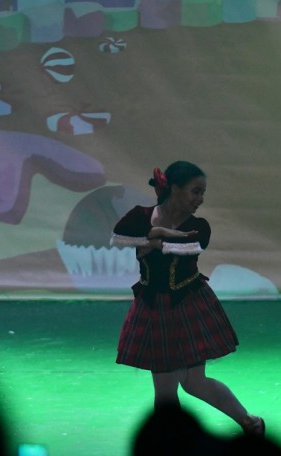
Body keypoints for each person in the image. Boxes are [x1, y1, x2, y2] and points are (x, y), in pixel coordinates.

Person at [111, 161, 265, 436]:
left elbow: (188, 246)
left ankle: (247, 423)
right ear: (174, 188)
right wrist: (154, 236)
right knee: (171, 389)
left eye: (202, 192)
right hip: (154, 309)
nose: (200, 199)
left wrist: (152, 241)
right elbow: (119, 236)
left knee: (192, 383)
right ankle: (246, 424)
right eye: (195, 191)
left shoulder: (198, 227)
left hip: (188, 306)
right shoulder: (141, 215)